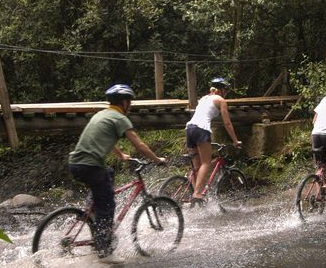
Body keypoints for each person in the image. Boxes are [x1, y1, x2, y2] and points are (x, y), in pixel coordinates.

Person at [68, 84, 165, 255]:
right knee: (107, 206)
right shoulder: (120, 118)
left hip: (76, 164)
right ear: (124, 102)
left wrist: (121, 155)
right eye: (130, 102)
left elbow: (106, 138)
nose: (130, 105)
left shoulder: (102, 114)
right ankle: (103, 246)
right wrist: (157, 160)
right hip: (91, 166)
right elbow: (139, 145)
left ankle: (90, 210)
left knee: (108, 174)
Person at [185, 77, 240, 205]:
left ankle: (194, 193)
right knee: (206, 163)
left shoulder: (204, 98)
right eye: (225, 90)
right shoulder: (221, 100)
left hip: (190, 129)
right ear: (222, 90)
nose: (225, 93)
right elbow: (227, 123)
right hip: (201, 130)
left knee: (197, 167)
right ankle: (197, 193)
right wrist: (235, 141)